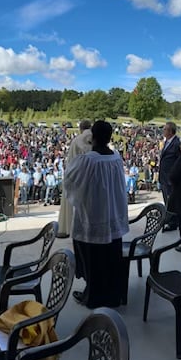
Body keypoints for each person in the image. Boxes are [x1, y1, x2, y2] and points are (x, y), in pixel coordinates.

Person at [63, 120, 129, 309]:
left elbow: (70, 182)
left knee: (93, 261)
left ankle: (93, 296)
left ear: (93, 137)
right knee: (110, 259)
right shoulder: (116, 158)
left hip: (92, 217)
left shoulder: (88, 160)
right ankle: (112, 296)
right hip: (112, 217)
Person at [57, 120, 92, 238]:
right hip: (90, 177)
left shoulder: (76, 140)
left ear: (80, 129)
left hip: (75, 176)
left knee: (72, 205)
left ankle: (69, 228)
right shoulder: (95, 139)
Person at [159, 122, 181, 231]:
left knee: (171, 202)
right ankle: (170, 219)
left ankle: (172, 222)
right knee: (166, 200)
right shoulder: (167, 142)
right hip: (163, 177)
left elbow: (179, 161)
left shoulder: (177, 144)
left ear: (171, 131)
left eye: (165, 129)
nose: (163, 131)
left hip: (170, 179)